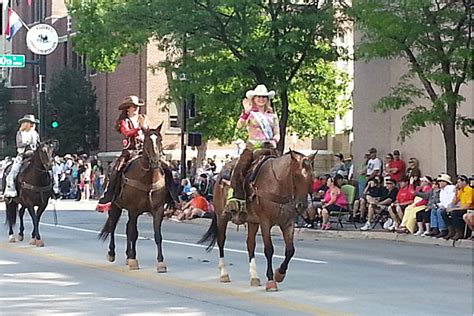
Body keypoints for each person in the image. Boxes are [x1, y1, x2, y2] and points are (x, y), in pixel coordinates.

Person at [96, 96, 178, 212]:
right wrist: (138, 130)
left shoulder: (143, 118)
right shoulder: (124, 121)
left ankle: (172, 197)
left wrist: (148, 133)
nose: (136, 109)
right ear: (127, 109)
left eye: (137, 107)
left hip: (145, 150)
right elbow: (127, 132)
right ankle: (109, 196)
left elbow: (149, 132)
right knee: (116, 170)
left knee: (166, 167)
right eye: (133, 107)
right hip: (130, 150)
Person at [226, 84, 280, 214]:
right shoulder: (250, 114)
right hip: (252, 146)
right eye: (259, 97)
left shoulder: (272, 115)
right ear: (254, 99)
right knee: (240, 169)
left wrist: (274, 140)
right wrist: (246, 112)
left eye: (264, 97)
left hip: (268, 146)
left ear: (267, 99)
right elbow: (239, 126)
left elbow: (277, 133)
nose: (261, 99)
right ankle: (235, 198)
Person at [4, 114, 41, 198]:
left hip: (34, 155)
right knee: (14, 170)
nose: (32, 125)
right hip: (23, 155)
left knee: (47, 168)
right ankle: (10, 189)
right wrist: (29, 142)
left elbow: (38, 143)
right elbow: (19, 144)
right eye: (31, 123)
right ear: (26, 124)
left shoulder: (35, 133)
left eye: (33, 123)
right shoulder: (20, 133)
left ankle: (53, 188)